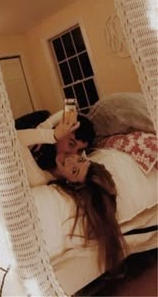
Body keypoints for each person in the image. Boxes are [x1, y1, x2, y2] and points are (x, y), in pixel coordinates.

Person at [17, 112, 127, 272]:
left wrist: (51, 134)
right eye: (71, 145)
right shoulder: (60, 153)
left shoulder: (41, 177)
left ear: (70, 182)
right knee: (43, 113)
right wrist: (52, 126)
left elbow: (14, 138)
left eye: (74, 170)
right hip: (35, 130)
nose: (72, 156)